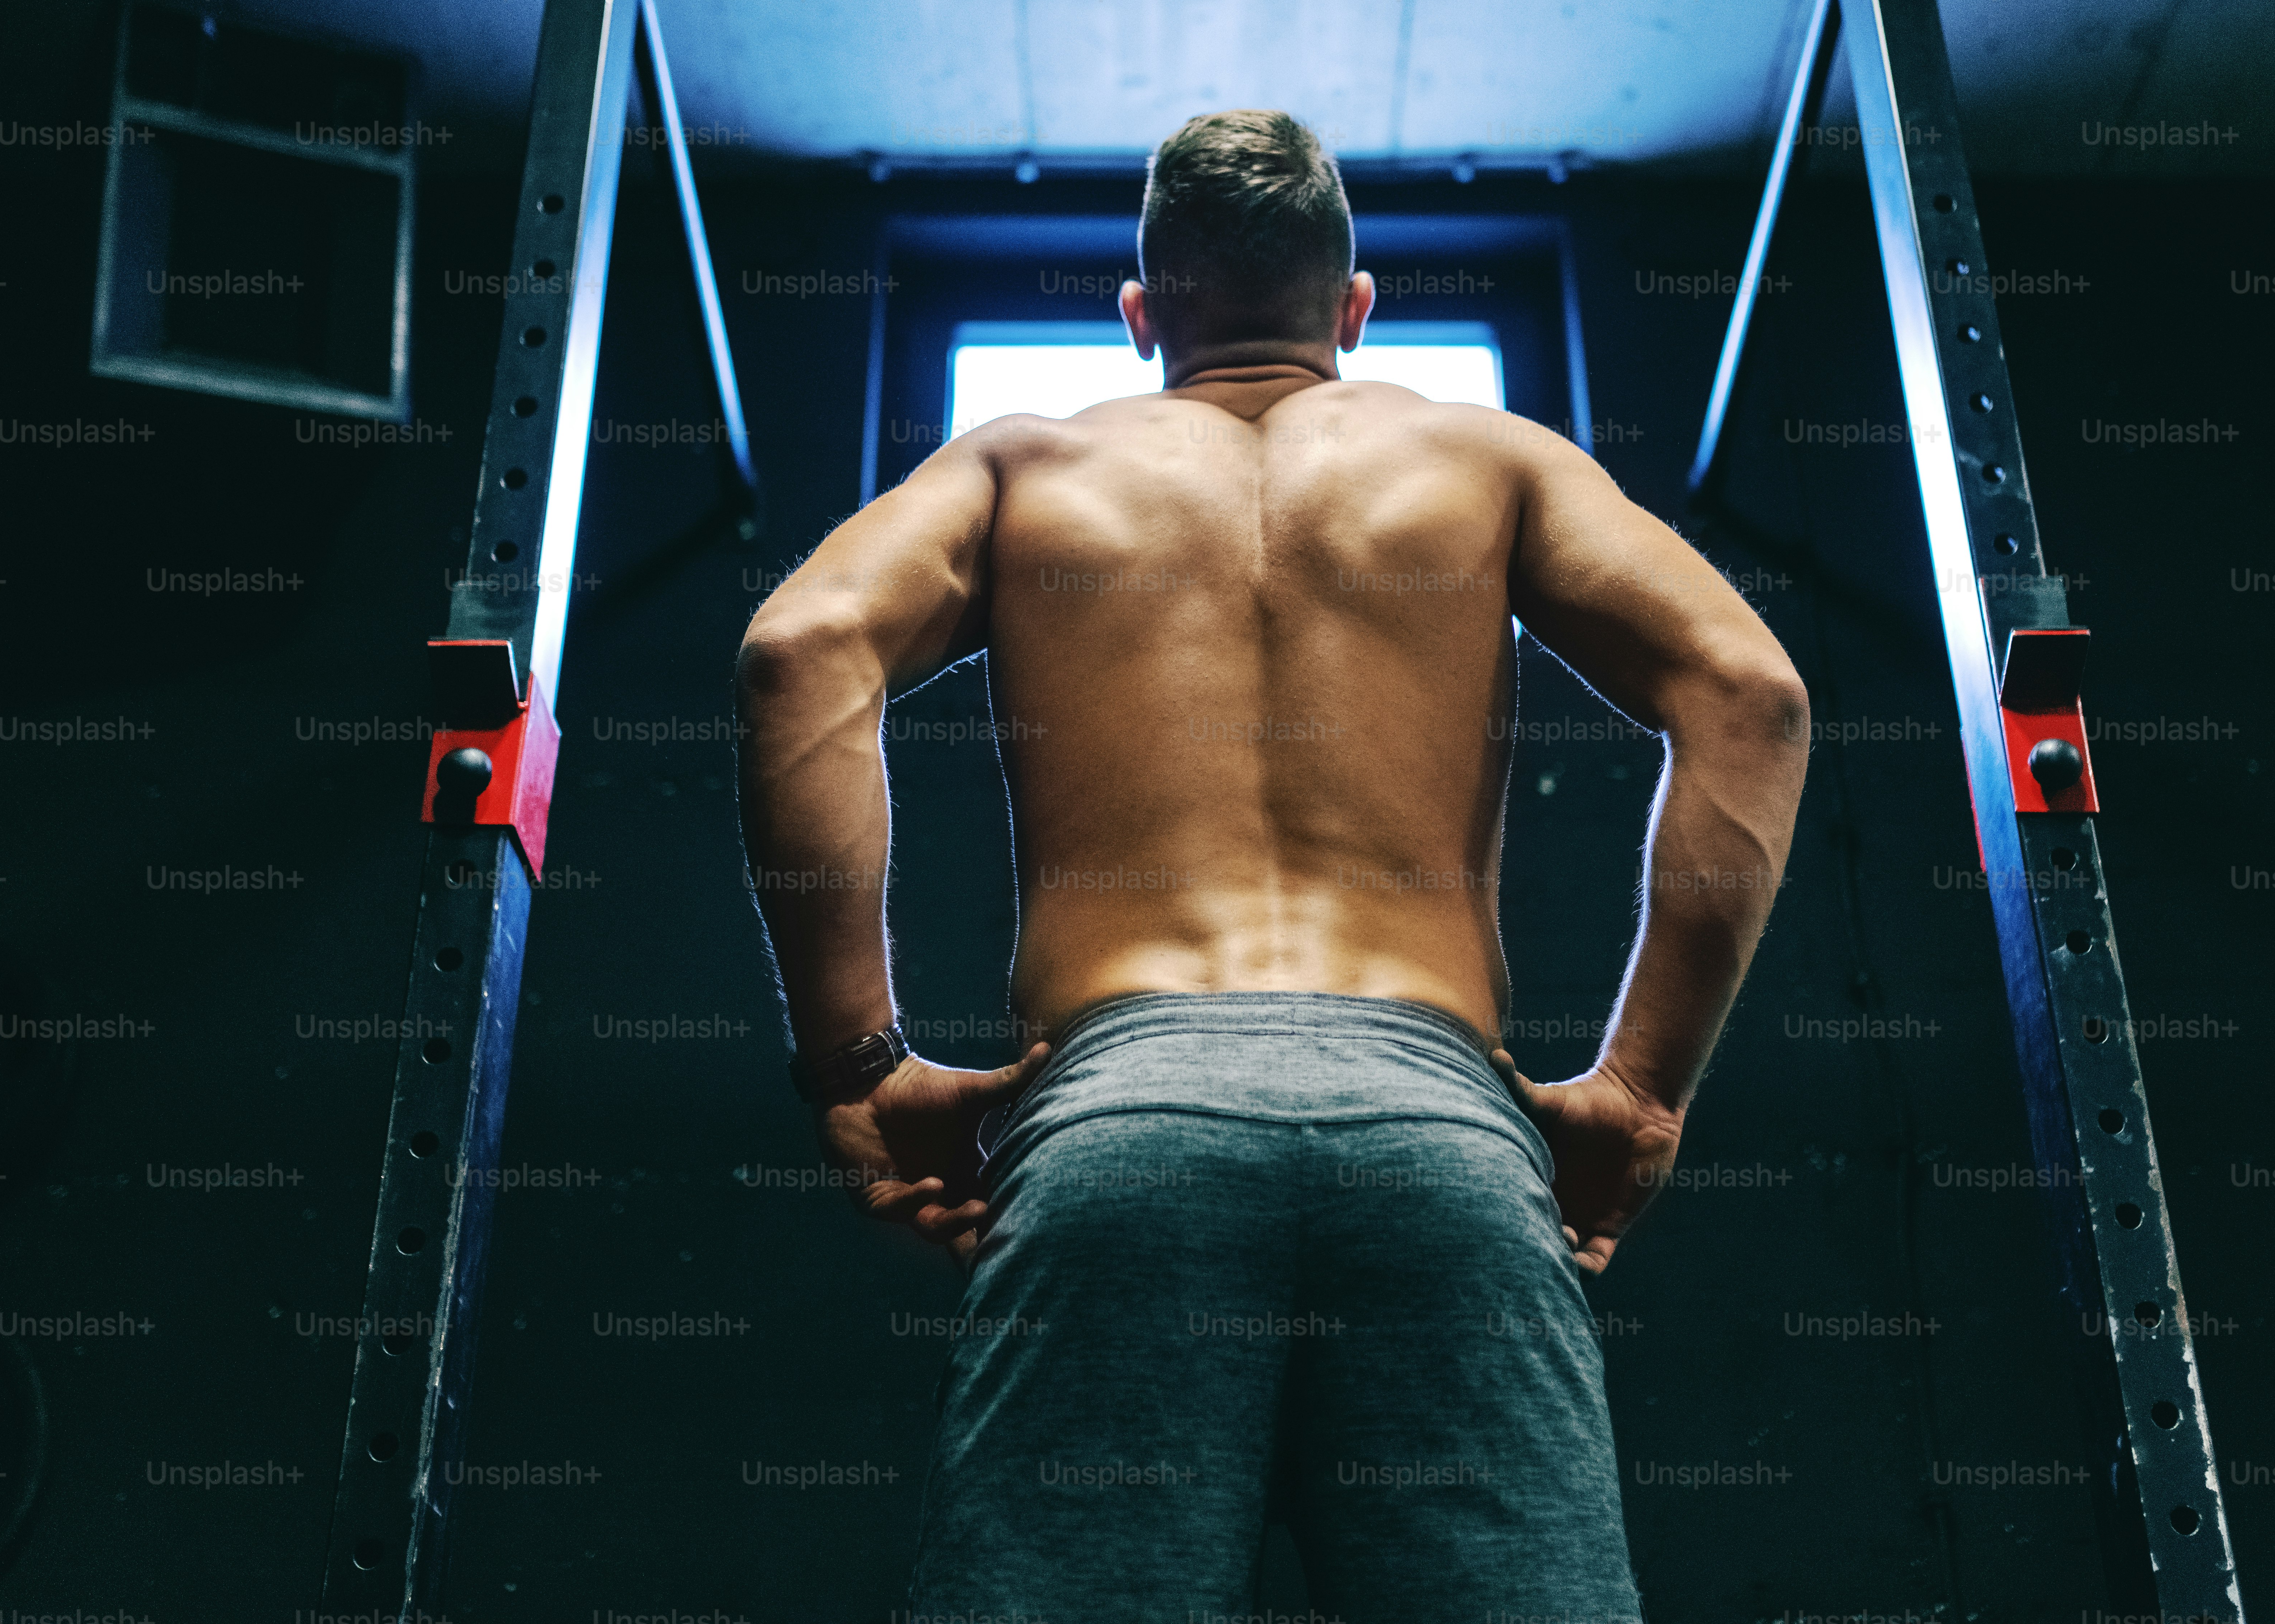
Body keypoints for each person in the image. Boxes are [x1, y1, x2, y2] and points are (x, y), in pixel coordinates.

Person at [735, 108, 1810, 1621]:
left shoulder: (1024, 467)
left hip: (1122, 1134)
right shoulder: (1490, 460)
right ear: (1354, 309)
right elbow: (1755, 697)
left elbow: (797, 650)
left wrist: (857, 1062)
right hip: (1441, 1143)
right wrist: (1640, 1090)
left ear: (1141, 317)